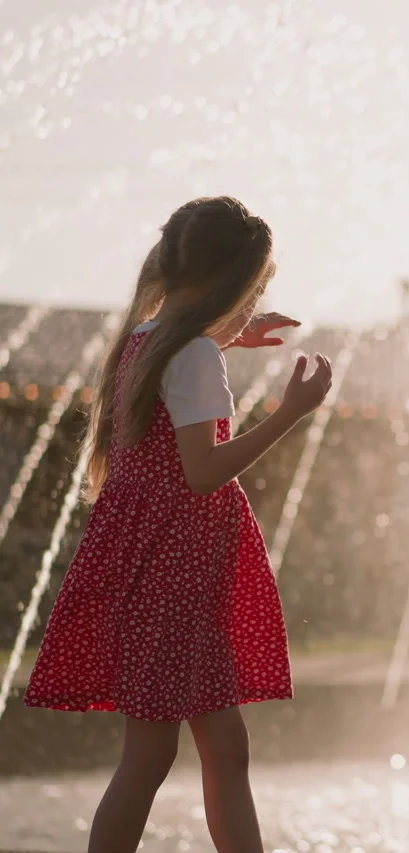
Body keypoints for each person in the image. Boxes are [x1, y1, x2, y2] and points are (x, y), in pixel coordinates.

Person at [24, 196, 332, 853]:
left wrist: (229, 337)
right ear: (230, 280)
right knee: (178, 753)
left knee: (189, 750)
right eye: (253, 288)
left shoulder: (144, 340)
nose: (254, 300)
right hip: (179, 571)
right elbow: (201, 471)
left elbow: (178, 377)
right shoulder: (192, 355)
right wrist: (289, 413)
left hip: (155, 564)